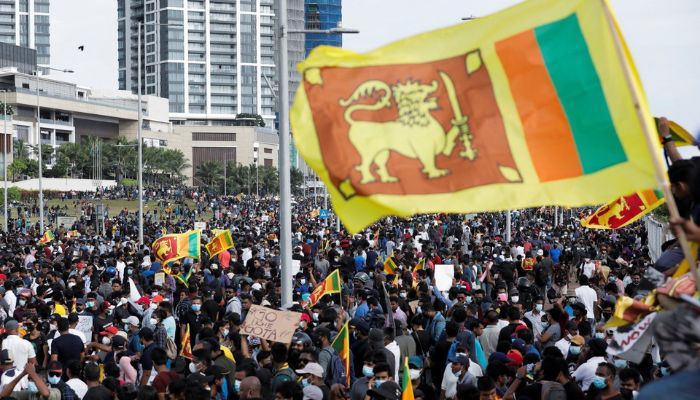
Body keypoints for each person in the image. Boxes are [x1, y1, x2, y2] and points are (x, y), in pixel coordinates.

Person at [2, 319, 36, 390]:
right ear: (17, 330)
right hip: (23, 382)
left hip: (6, 381)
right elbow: (33, 362)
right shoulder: (26, 343)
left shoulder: (2, 343)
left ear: (7, 330)